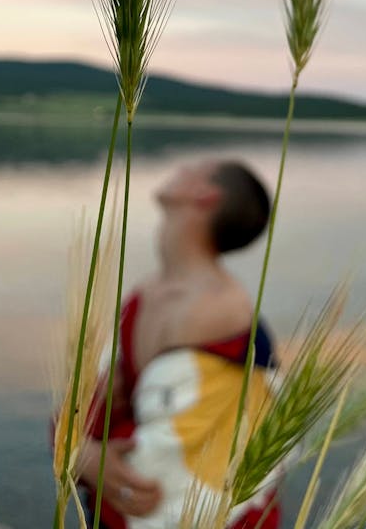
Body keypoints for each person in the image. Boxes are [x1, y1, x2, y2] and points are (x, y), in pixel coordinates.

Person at [76, 159, 280, 529]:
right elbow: (92, 404)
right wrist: (83, 455)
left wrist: (82, 452)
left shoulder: (219, 310)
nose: (182, 166)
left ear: (205, 195)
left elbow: (179, 467)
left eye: (194, 169)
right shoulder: (146, 294)